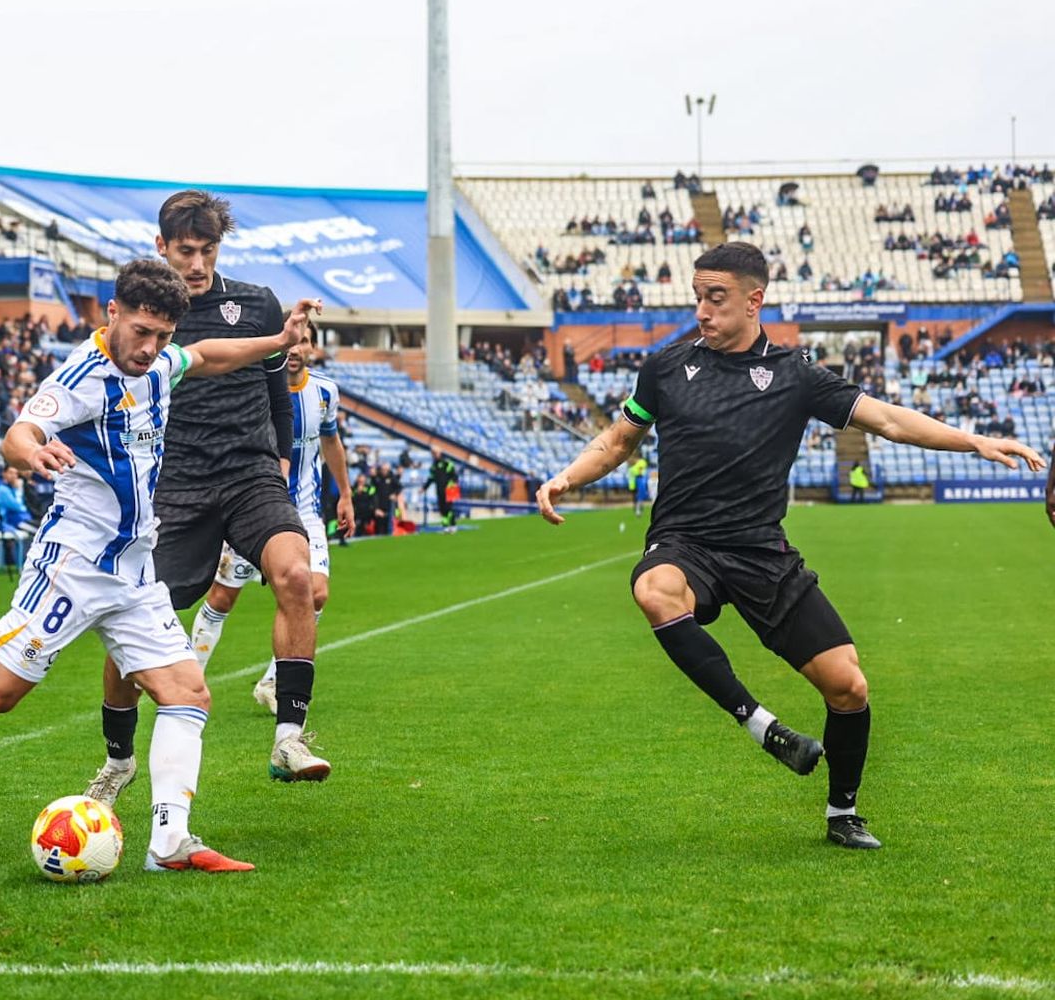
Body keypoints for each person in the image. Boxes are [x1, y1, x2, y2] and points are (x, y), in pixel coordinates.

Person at [0, 259, 313, 873]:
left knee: (188, 694)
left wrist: (278, 342)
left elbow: (206, 356)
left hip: (134, 569)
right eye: (141, 332)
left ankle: (169, 841)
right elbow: (21, 431)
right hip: (71, 563)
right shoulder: (82, 373)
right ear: (113, 313)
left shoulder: (160, 363)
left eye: (162, 336)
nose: (150, 349)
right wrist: (33, 453)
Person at [535, 241, 1046, 851]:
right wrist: (567, 476)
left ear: (755, 300)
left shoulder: (794, 374)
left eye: (715, 298)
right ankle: (763, 727)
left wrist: (974, 442)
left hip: (761, 553)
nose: (702, 310)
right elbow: (619, 441)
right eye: (697, 297)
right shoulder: (667, 368)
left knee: (848, 685)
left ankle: (842, 814)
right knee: (654, 588)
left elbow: (884, 419)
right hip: (685, 543)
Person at [87, 190, 331, 804]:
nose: (197, 264)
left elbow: (277, 374)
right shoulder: (147, 316)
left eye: (208, 251)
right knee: (133, 620)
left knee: (297, 576)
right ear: (161, 247)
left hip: (251, 476)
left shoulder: (255, 303)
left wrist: (278, 452)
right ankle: (118, 760)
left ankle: (289, 738)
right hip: (176, 488)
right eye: (185, 251)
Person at [186, 331, 355, 710]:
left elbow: (331, 442)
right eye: (289, 342)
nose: (294, 349)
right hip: (254, 508)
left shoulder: (325, 392)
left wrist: (345, 494)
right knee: (223, 597)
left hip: (306, 511)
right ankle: (189, 679)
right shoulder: (257, 387)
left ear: (312, 347)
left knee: (316, 592)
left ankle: (272, 682)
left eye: (303, 341)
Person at [426, 453, 459, 532]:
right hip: (439, 490)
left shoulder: (447, 463)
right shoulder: (433, 466)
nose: (434, 455)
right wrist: (424, 488)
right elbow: (431, 478)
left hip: (449, 489)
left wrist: (452, 484)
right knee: (442, 509)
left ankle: (453, 525)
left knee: (449, 508)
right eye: (433, 453)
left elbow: (455, 476)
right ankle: (445, 526)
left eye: (435, 453)